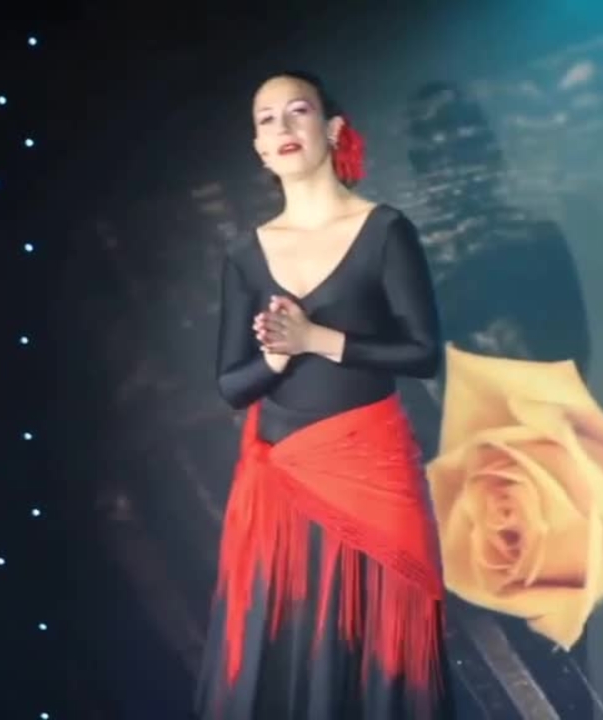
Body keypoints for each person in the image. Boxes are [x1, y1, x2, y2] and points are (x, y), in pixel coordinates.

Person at [194, 70, 456, 719]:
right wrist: (278, 354)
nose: (282, 127)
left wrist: (317, 338)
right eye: (266, 119)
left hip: (374, 467)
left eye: (298, 111)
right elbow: (232, 386)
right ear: (259, 149)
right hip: (283, 483)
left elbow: (422, 352)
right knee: (290, 659)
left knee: (388, 656)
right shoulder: (247, 256)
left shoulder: (384, 230)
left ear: (333, 129)